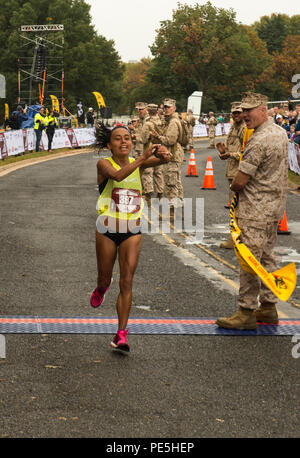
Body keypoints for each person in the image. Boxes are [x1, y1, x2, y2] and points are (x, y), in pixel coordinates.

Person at [91, 123, 170, 352]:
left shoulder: (139, 163)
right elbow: (117, 175)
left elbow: (167, 159)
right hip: (107, 228)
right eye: (117, 139)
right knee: (106, 279)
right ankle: (101, 288)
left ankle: (121, 334)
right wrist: (141, 159)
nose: (124, 142)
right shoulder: (104, 164)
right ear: (109, 145)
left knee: (127, 281)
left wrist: (163, 152)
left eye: (127, 138)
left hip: (132, 230)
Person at [216, 92, 289, 330]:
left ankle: (246, 311)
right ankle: (268, 307)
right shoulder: (280, 132)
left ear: (263, 109)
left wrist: (234, 187)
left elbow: (241, 179)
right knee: (267, 258)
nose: (244, 114)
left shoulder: (259, 139)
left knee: (248, 261)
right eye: (242, 110)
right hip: (274, 207)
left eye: (249, 110)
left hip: (255, 208)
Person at [216, 101, 245, 249]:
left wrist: (230, 154)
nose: (236, 115)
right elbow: (232, 149)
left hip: (241, 171)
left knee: (239, 207)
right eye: (234, 113)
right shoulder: (233, 127)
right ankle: (236, 237)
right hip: (232, 170)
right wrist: (223, 151)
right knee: (235, 206)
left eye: (239, 112)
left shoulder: (245, 128)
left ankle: (237, 239)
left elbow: (246, 152)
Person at [151, 98, 184, 218]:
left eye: (169, 107)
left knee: (171, 184)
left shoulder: (173, 122)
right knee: (176, 183)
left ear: (174, 108)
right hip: (174, 155)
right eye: (165, 107)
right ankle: (179, 211)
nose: (166, 109)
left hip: (172, 154)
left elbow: (170, 140)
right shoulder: (171, 120)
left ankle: (172, 211)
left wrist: (158, 136)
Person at [140, 103, 165, 204]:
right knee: (158, 172)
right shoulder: (162, 120)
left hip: (149, 149)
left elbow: (144, 139)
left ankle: (148, 194)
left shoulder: (147, 122)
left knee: (148, 172)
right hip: (159, 149)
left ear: (148, 111)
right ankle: (160, 193)